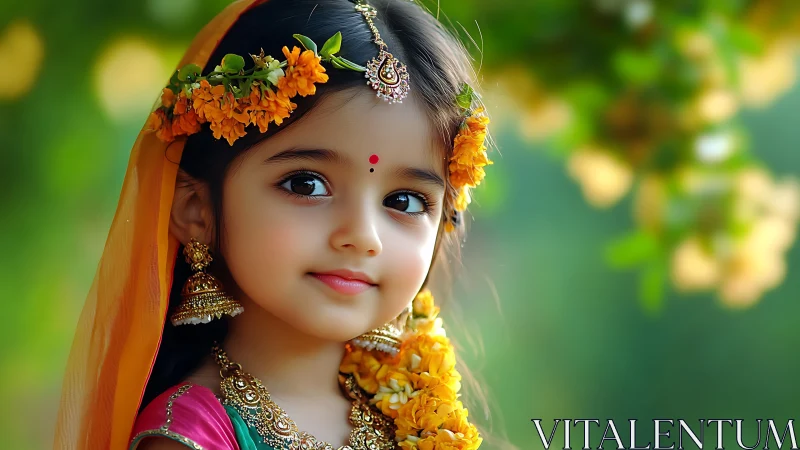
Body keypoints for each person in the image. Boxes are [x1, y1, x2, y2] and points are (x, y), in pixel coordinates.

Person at [53, 0, 493, 448]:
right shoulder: (192, 437)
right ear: (196, 210)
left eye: (404, 200)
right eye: (306, 185)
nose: (363, 236)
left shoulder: (416, 417)